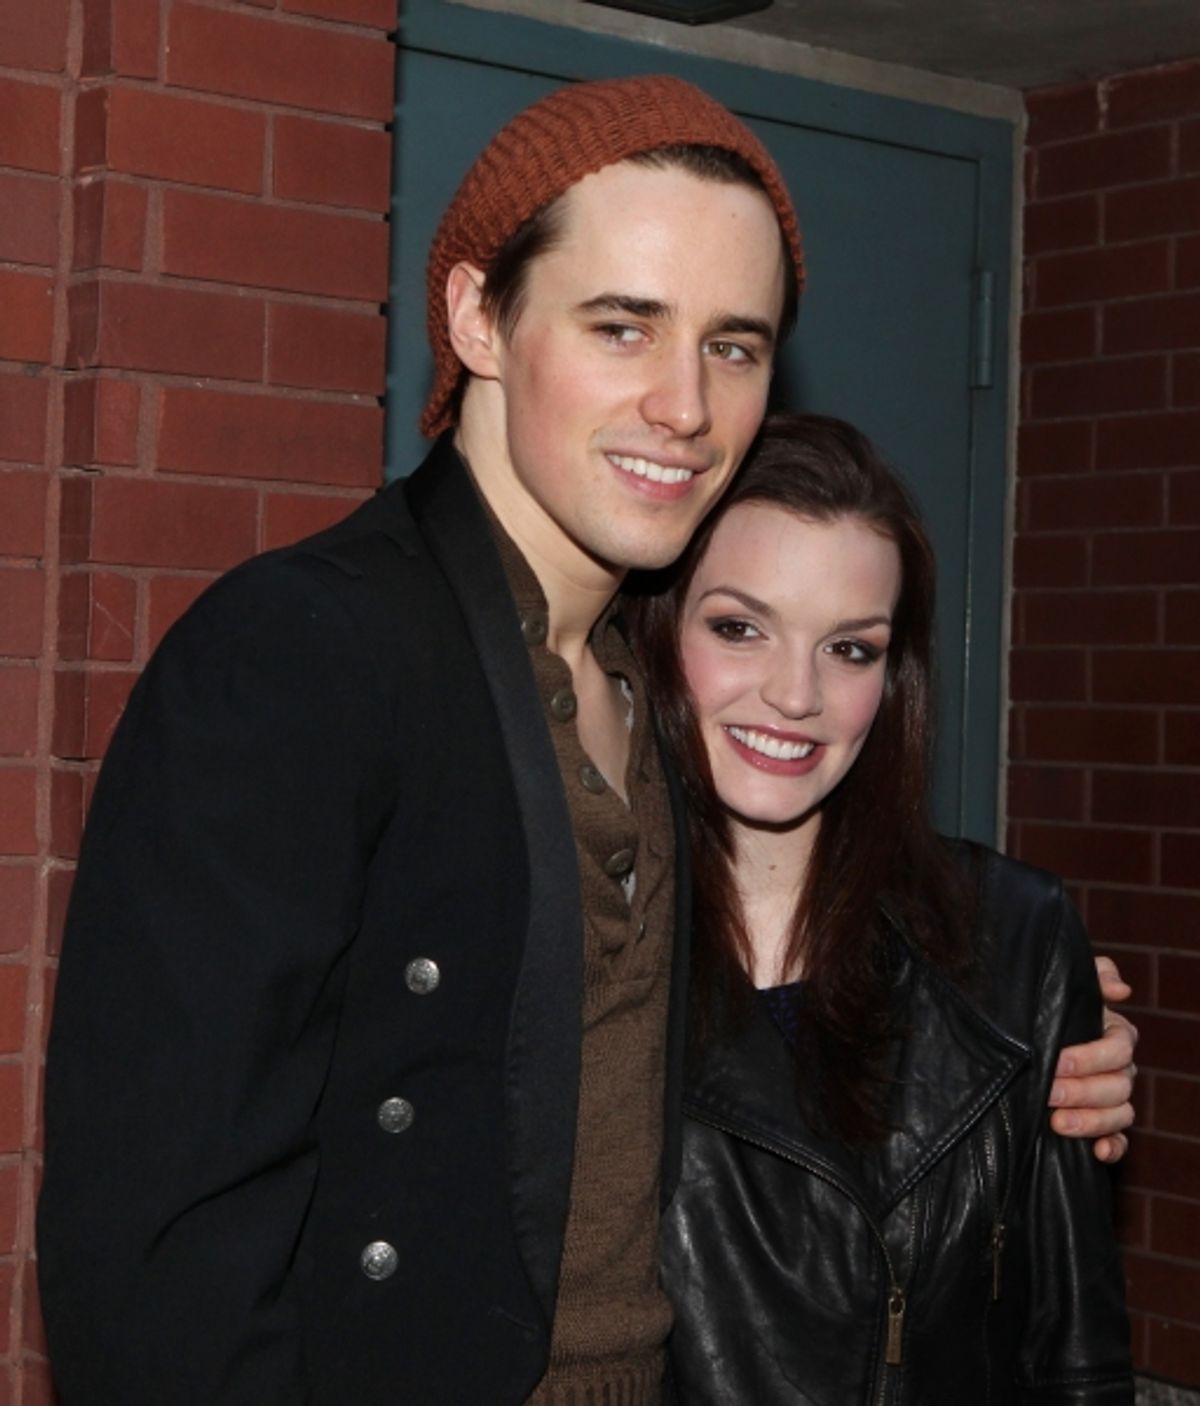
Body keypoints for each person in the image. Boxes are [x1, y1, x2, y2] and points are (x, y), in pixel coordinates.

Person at [37, 78, 1134, 1406]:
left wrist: (1041, 1034)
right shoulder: (307, 653)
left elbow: (797, 965)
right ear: (478, 317)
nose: (684, 403)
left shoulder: (646, 691)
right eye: (624, 326)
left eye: (734, 346)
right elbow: (159, 1257)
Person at [626, 413, 1133, 1403]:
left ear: (892, 677)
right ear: (658, 629)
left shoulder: (1016, 939)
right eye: (739, 627)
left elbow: (1075, 1361)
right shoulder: (568, 935)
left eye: (850, 649)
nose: (796, 693)